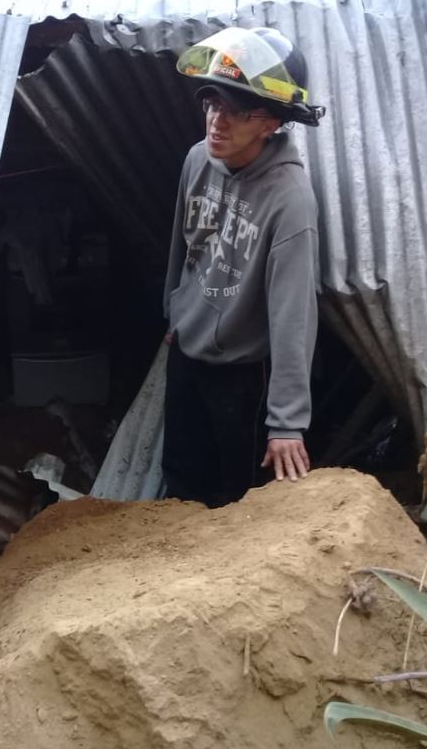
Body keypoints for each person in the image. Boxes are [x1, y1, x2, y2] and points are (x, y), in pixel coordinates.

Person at [162, 26, 325, 507]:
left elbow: (294, 315)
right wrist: (173, 313)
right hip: (186, 352)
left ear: (271, 122)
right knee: (180, 478)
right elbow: (182, 245)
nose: (218, 121)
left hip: (242, 373)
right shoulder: (197, 160)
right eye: (212, 103)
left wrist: (287, 423)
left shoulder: (290, 200)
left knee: (234, 498)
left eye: (237, 110)